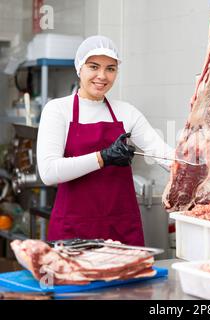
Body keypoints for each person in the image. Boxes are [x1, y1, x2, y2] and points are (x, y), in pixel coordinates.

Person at [37, 35, 174, 245]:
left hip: (121, 227)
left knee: (130, 279)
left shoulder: (126, 112)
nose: (102, 76)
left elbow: (162, 154)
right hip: (75, 230)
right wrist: (103, 157)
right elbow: (49, 172)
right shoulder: (58, 110)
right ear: (79, 68)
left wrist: (205, 170)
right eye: (94, 67)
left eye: (110, 68)